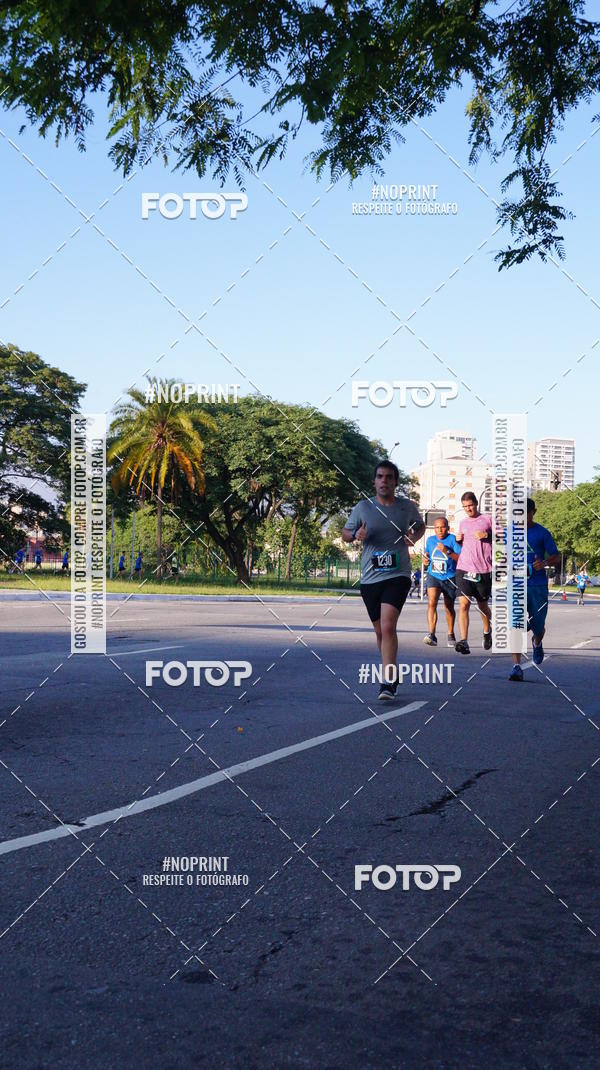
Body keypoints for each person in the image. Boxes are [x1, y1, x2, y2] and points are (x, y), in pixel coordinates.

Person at [342, 459, 425, 700]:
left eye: (389, 477)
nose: (384, 481)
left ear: (396, 482)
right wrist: (356, 534)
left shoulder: (406, 506)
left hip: (398, 575)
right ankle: (393, 670)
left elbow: (419, 525)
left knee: (388, 626)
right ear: (374, 481)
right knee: (381, 633)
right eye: (380, 476)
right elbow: (345, 534)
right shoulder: (363, 508)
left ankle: (387, 681)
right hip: (370, 579)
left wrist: (414, 537)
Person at [509, 499, 561, 681]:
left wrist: (544, 563)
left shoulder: (542, 533)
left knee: (538, 626)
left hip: (537, 586)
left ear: (534, 512)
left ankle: (537, 641)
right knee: (515, 625)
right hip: (516, 585)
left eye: (525, 513)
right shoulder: (509, 533)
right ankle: (516, 666)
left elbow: (556, 555)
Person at [454, 492, 493, 654]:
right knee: (463, 605)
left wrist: (487, 535)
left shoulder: (488, 519)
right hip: (464, 568)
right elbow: (463, 543)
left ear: (476, 504)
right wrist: (458, 539)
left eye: (470, 505)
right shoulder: (462, 522)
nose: (468, 509)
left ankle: (487, 630)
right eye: (464, 507)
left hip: (483, 570)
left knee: (482, 605)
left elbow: (504, 536)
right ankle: (464, 640)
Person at [422, 517, 461, 647]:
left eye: (443, 527)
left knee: (449, 607)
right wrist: (425, 559)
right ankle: (432, 634)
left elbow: (460, 558)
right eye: (437, 527)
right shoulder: (430, 540)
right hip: (434, 576)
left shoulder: (452, 539)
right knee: (432, 603)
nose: (440, 530)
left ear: (448, 528)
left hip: (450, 577)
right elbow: (427, 554)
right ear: (434, 529)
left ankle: (450, 634)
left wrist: (447, 551)